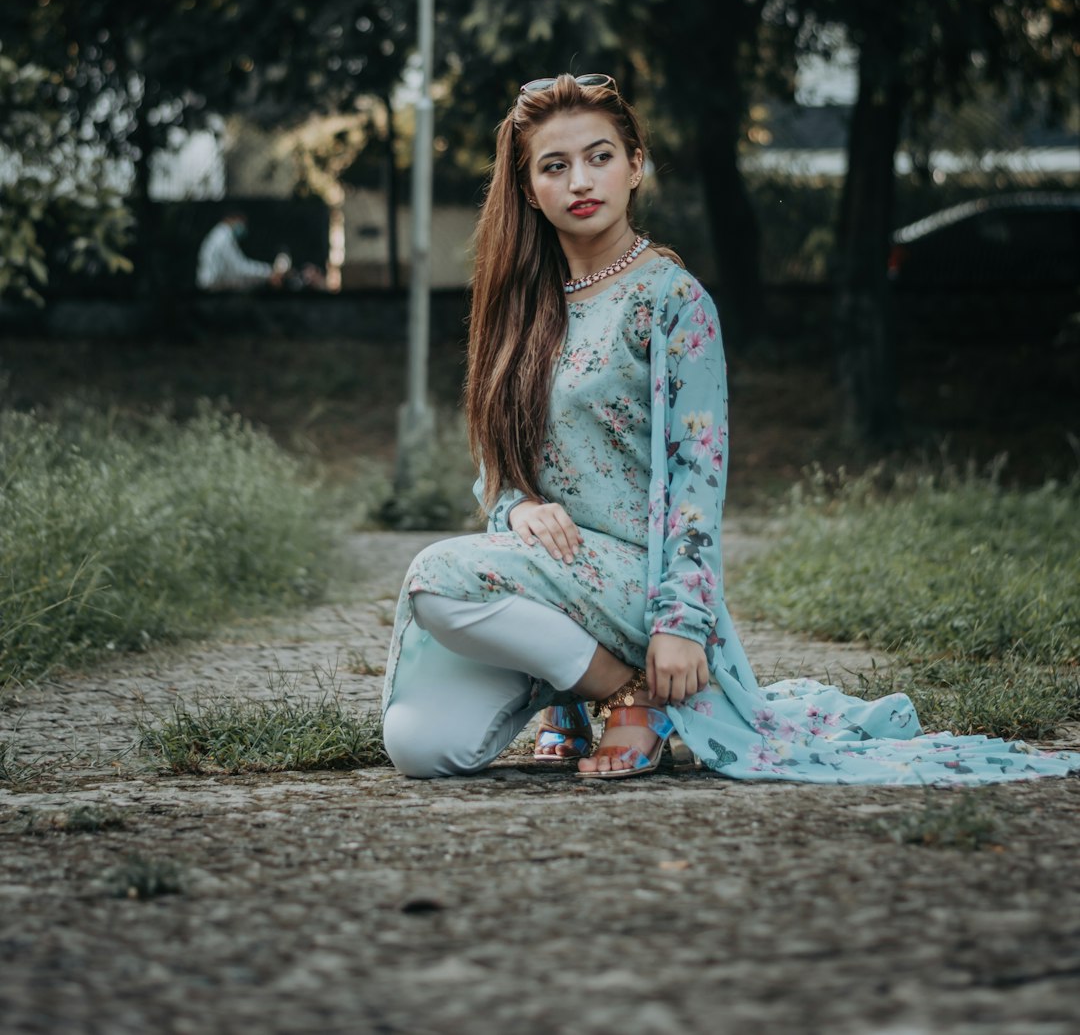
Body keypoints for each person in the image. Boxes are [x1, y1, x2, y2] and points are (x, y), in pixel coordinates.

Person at [381, 73, 1077, 785]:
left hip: (636, 580)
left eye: (600, 157)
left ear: (635, 165)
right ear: (529, 189)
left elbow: (696, 480)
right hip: (549, 584)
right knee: (420, 746)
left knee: (436, 577)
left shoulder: (672, 300)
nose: (580, 180)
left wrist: (681, 627)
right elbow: (494, 465)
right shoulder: (523, 308)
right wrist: (517, 506)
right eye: (554, 166)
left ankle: (638, 693)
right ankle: (593, 687)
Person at [195, 211, 283, 292]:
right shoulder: (223, 237)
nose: (243, 226)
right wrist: (269, 273)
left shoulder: (219, 234)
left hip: (212, 289)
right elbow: (239, 268)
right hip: (212, 293)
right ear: (230, 219)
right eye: (241, 222)